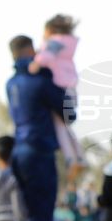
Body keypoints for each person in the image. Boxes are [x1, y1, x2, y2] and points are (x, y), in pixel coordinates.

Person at [6, 34, 72, 221]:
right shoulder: (40, 81)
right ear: (31, 50)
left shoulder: (11, 83)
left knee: (29, 218)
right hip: (39, 154)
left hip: (18, 153)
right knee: (42, 218)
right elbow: (69, 111)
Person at [28, 14, 84, 178]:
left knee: (59, 126)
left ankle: (70, 160)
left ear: (50, 30)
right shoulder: (69, 44)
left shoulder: (53, 42)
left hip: (59, 88)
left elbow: (47, 57)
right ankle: (79, 158)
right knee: (67, 127)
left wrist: (35, 63)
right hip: (72, 87)